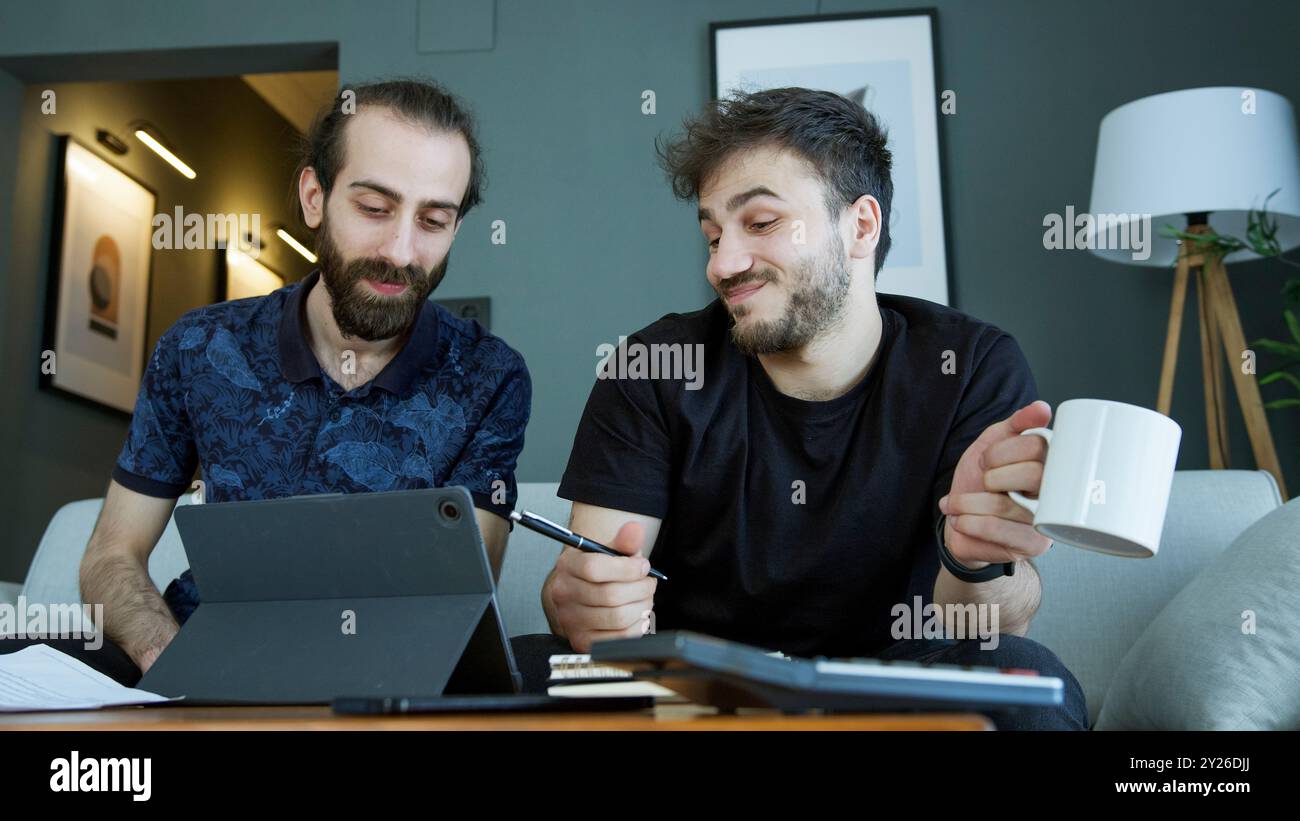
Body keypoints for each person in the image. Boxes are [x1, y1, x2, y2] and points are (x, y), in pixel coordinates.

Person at [538, 87, 1087, 730]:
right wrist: (580, 603)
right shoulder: (655, 364)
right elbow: (588, 591)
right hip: (698, 701)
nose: (723, 262)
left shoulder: (970, 364)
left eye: (761, 223)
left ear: (860, 226)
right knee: (523, 669)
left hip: (900, 700)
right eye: (713, 234)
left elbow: (998, 622)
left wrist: (972, 553)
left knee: (1032, 681)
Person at [0, 79, 531, 683]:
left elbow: (459, 601)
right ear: (314, 197)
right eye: (374, 209)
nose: (401, 251)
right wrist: (177, 670)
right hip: (197, 654)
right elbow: (111, 557)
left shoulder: (490, 376)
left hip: (383, 675)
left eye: (434, 220)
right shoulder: (199, 348)